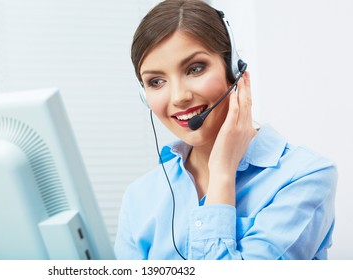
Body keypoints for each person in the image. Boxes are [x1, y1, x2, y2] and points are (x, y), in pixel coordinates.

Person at [114, 0, 337, 260]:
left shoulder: (304, 177)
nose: (179, 97)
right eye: (156, 81)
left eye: (195, 69)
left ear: (234, 70)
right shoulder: (140, 197)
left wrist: (221, 174)